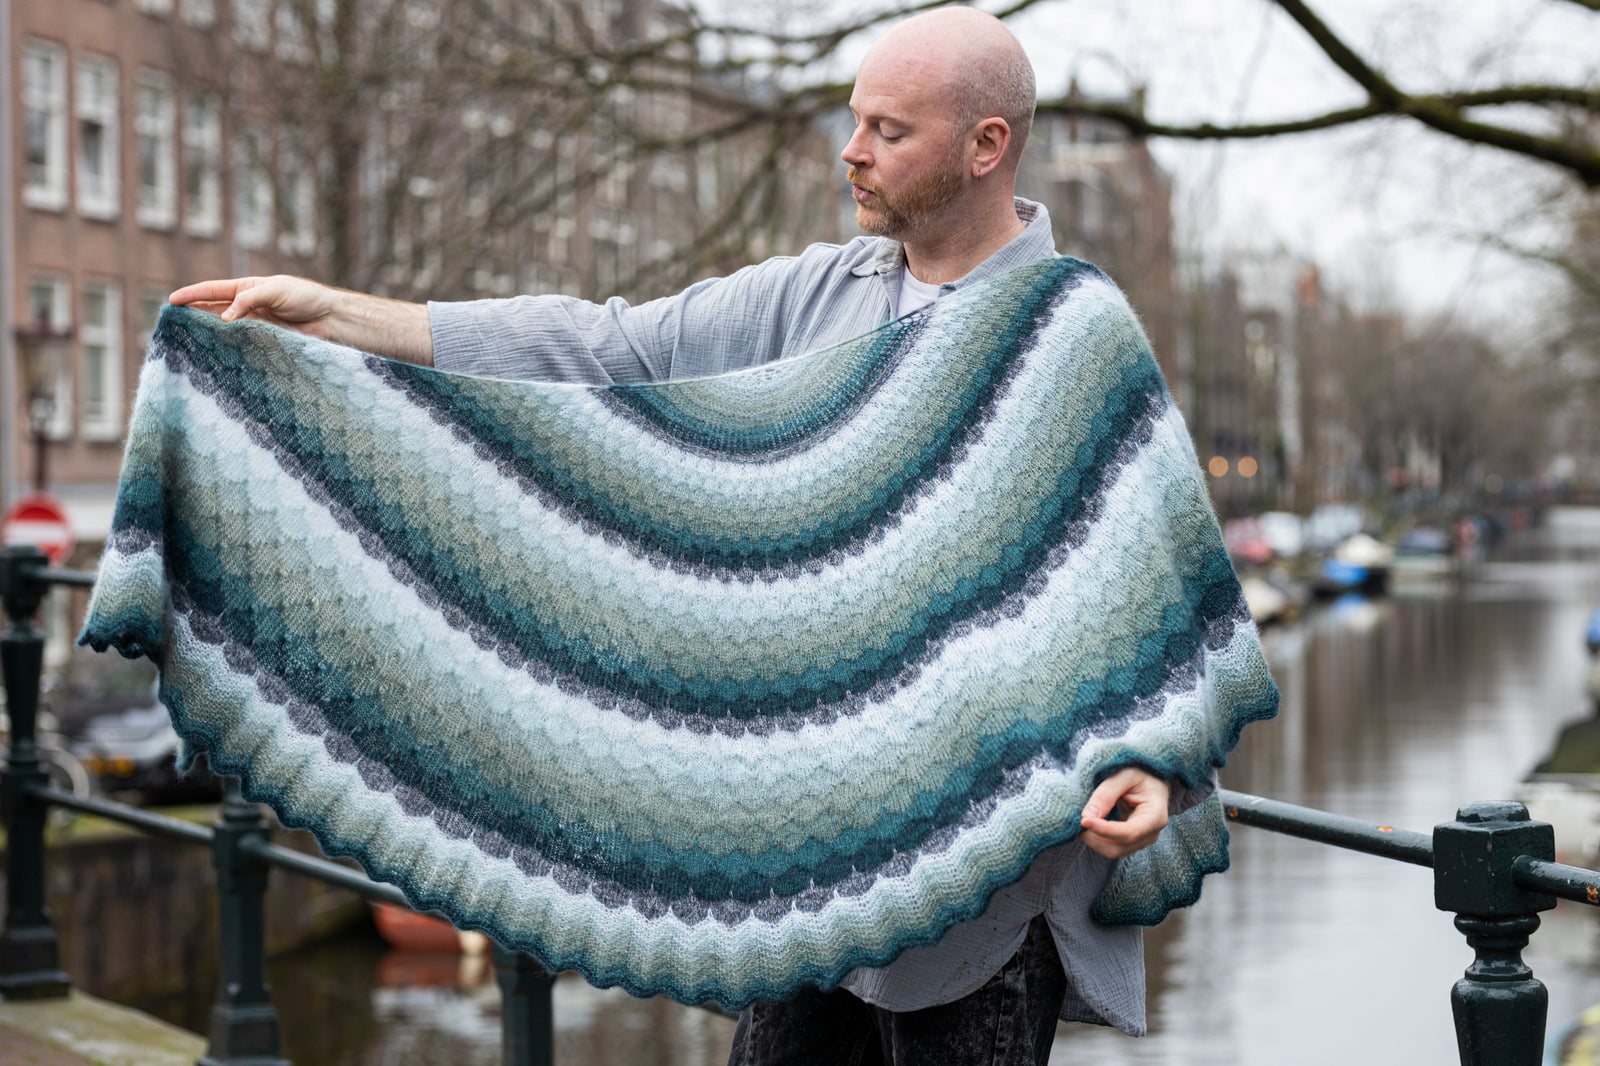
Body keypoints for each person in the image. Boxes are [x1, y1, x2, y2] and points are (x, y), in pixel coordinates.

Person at [171, 8, 1202, 1062]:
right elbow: (606, 346)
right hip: (814, 864)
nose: (852, 151)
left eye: (889, 131)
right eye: (854, 122)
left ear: (987, 145)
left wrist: (1156, 761)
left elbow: (1152, 591)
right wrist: (343, 318)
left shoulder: (1074, 335)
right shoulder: (815, 294)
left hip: (987, 877)